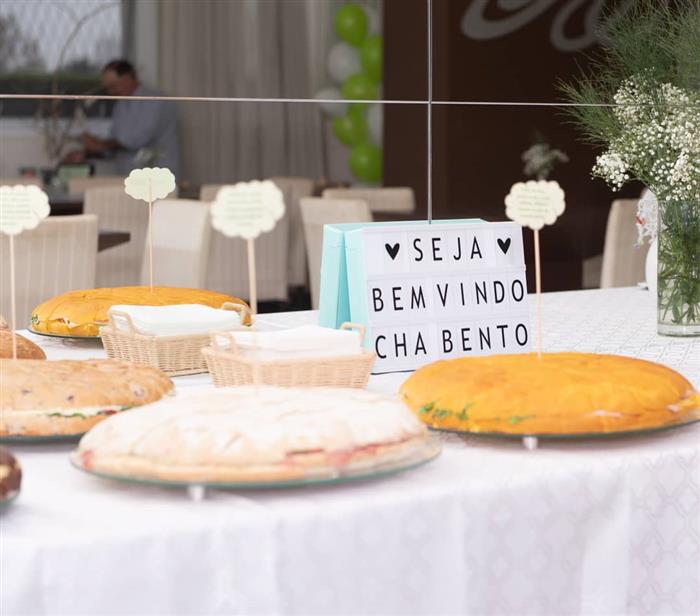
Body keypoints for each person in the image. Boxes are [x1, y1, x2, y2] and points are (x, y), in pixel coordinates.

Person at [66, 60, 179, 178]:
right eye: (108, 88)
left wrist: (99, 144)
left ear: (128, 78)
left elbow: (136, 139)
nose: (111, 92)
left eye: (113, 86)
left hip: (157, 177)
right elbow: (114, 143)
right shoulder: (120, 105)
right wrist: (86, 153)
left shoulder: (155, 100)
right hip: (129, 178)